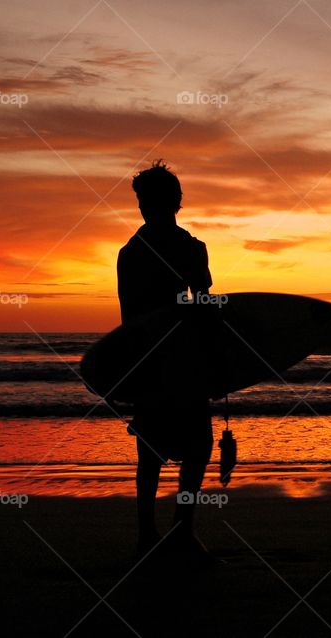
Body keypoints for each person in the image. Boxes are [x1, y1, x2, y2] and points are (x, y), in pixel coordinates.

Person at [117, 159, 215, 563]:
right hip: (182, 359)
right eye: (142, 200)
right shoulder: (191, 248)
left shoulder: (131, 252)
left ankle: (152, 534)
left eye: (145, 200)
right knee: (195, 449)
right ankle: (179, 530)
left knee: (154, 453)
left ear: (166, 202)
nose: (142, 207)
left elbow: (129, 319)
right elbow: (205, 306)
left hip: (153, 360)